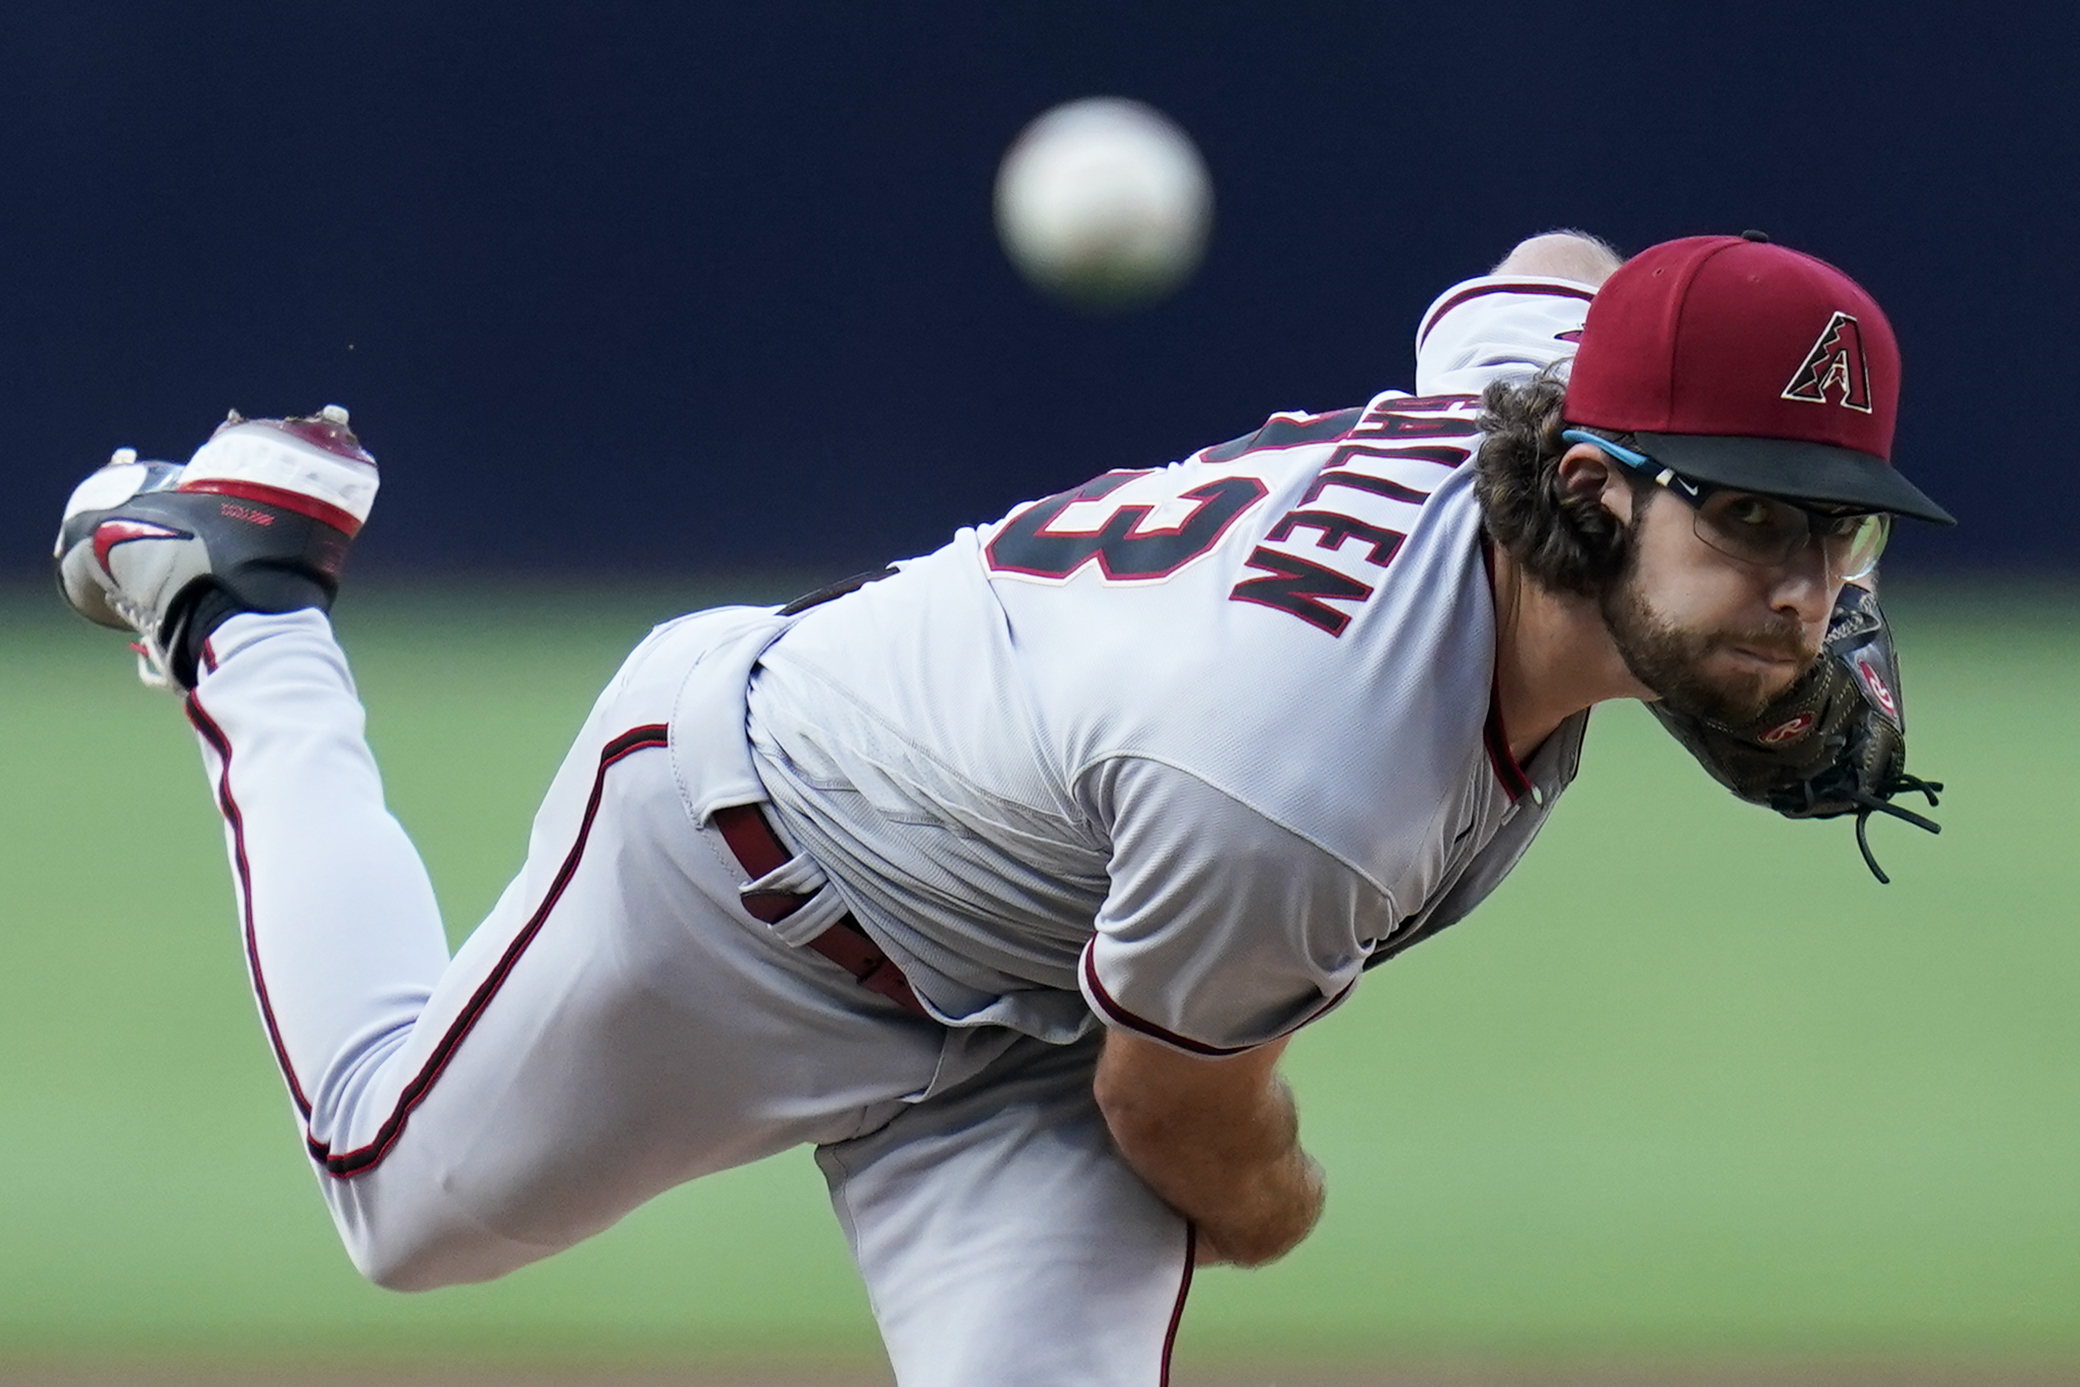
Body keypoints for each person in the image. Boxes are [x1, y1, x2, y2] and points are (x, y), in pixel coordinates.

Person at [52, 229, 1952, 1386]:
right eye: (1754, 514)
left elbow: (1546, 274)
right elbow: (1191, 1127)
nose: (1807, 586)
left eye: (1835, 524)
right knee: (399, 1201)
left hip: (1063, 974)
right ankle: (241, 597)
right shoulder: (1307, 774)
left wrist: (1666, 343)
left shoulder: (1538, 406)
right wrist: (1285, 1207)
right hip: (749, 872)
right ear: (1603, 487)